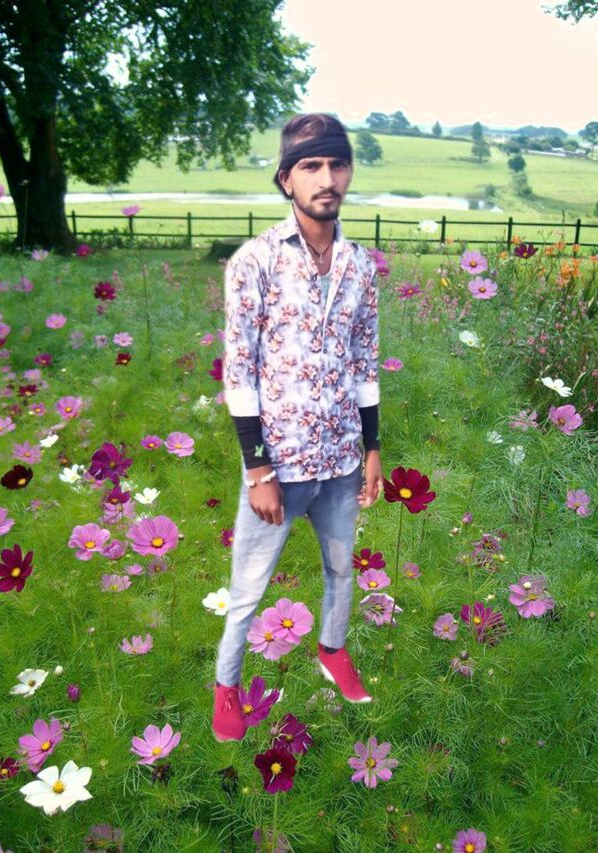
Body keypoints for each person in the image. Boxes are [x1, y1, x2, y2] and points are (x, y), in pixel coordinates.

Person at [212, 113, 383, 742]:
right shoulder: (254, 262)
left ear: (349, 173)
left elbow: (364, 362)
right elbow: (240, 373)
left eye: (337, 164)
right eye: (311, 166)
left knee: (342, 570)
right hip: (279, 467)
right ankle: (227, 687)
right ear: (287, 179)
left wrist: (372, 448)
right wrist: (257, 468)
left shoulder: (360, 266)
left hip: (341, 460)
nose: (326, 178)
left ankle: (332, 651)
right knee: (248, 589)